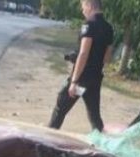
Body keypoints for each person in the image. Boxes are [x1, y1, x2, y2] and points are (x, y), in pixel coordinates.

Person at [48, 0, 113, 131]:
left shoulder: (89, 25)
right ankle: (99, 141)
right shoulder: (108, 28)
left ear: (90, 6)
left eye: (83, 7)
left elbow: (83, 53)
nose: (82, 11)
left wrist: (74, 81)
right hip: (95, 78)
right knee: (94, 116)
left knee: (61, 107)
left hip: (81, 79)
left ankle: (47, 138)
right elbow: (107, 57)